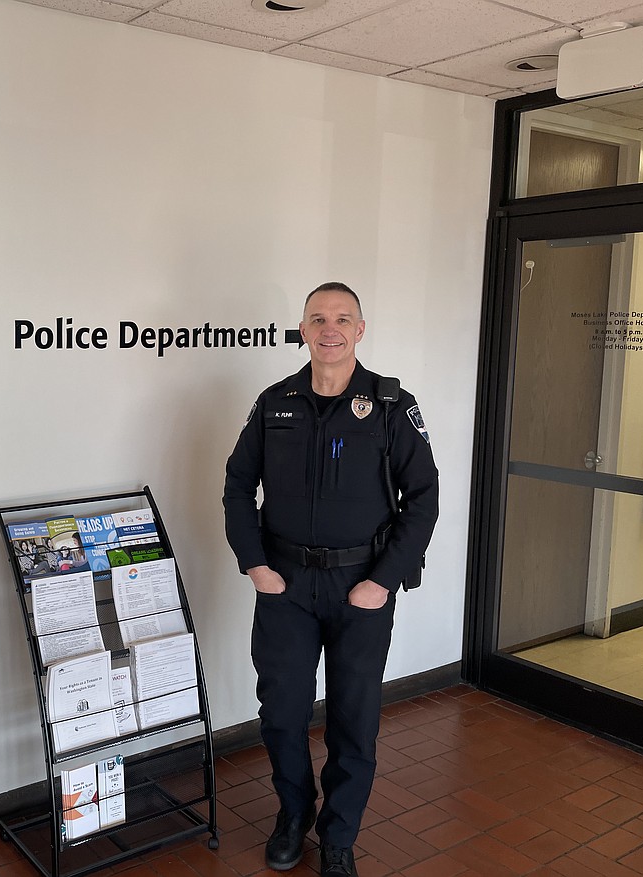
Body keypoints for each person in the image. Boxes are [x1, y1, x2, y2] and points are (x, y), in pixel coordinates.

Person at [222, 282, 439, 877]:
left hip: (360, 589)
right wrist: (254, 563)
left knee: (354, 717)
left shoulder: (391, 406)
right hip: (285, 586)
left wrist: (385, 580)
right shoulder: (275, 404)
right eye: (318, 318)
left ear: (361, 330)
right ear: (303, 329)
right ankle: (293, 815)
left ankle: (339, 836)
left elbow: (423, 498)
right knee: (282, 712)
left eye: (342, 318)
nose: (330, 328)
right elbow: (238, 485)